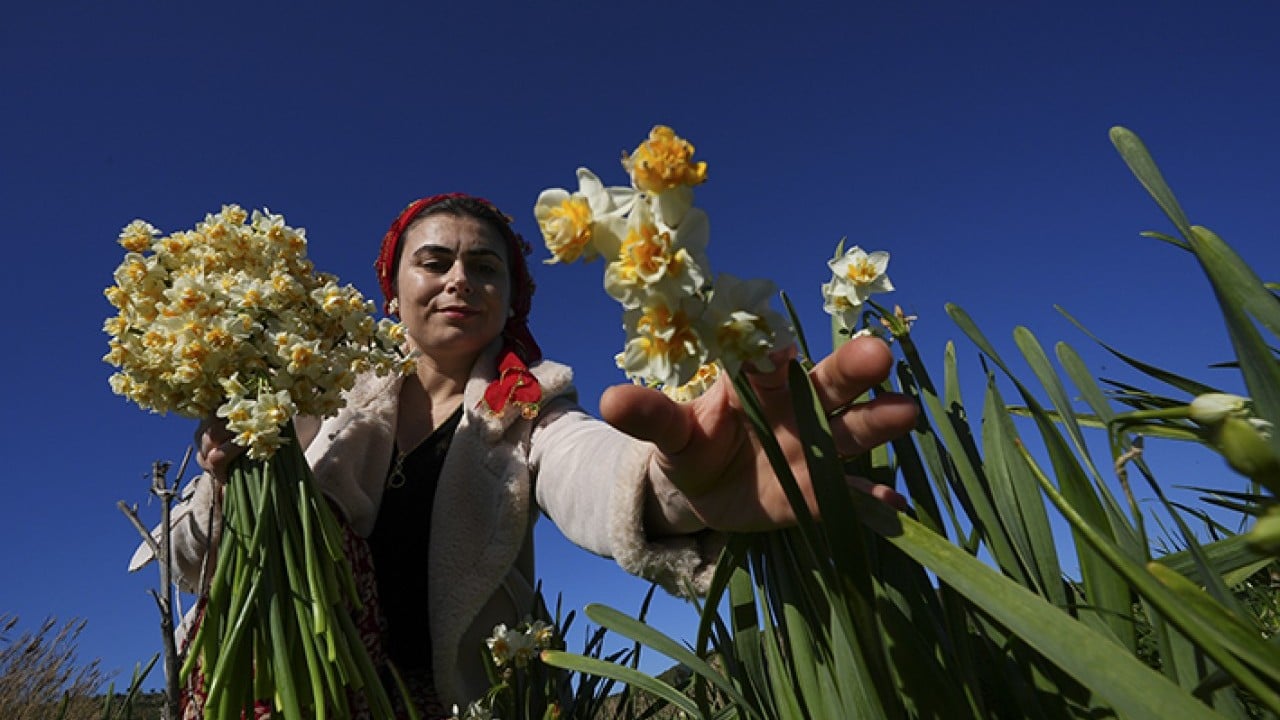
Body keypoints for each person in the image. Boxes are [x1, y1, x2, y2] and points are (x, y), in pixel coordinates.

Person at [139, 193, 918, 718]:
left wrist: (672, 488)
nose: (460, 281)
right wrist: (226, 479)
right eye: (434, 262)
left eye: (486, 269)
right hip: (261, 684)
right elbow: (187, 561)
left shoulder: (529, 406)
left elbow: (591, 469)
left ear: (511, 299)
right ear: (391, 290)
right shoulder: (306, 396)